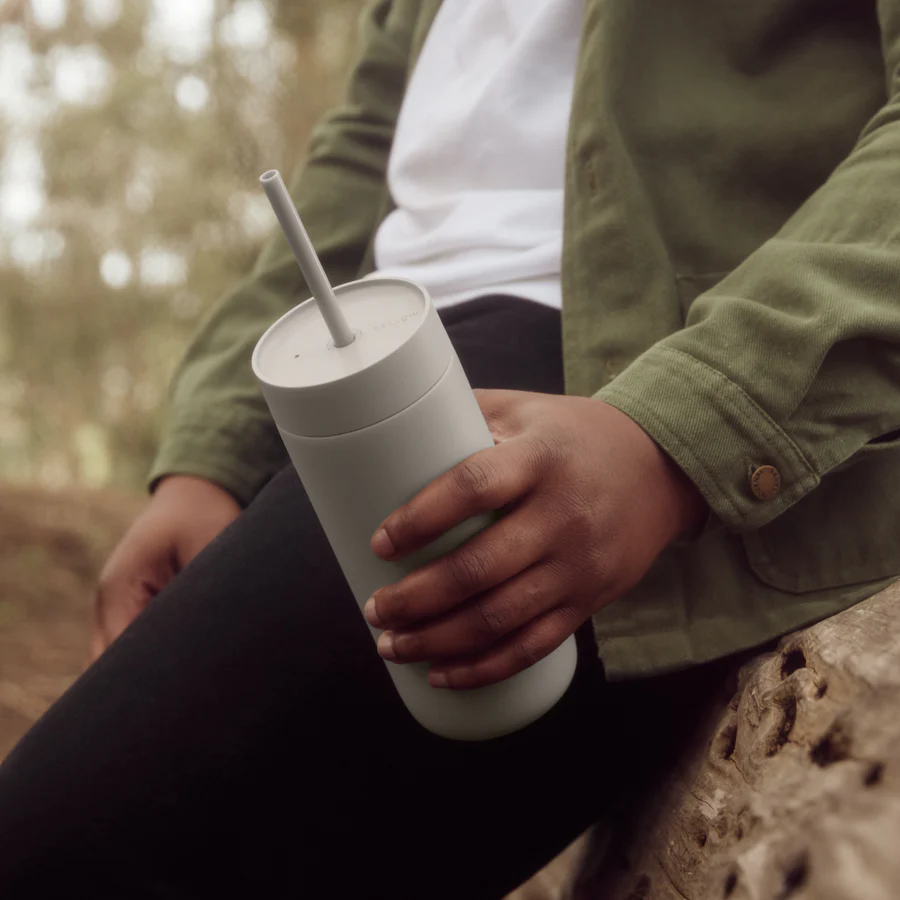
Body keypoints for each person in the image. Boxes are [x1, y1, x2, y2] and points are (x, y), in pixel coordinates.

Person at [2, 0, 900, 896]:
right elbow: (360, 154)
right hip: (365, 383)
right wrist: (213, 453)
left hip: (596, 398)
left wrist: (677, 434)